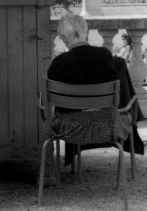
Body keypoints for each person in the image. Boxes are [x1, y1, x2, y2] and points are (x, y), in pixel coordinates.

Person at [47, 15, 136, 147]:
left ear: (64, 38)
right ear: (85, 33)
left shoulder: (58, 63)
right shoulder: (105, 55)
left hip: (67, 129)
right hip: (106, 126)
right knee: (129, 106)